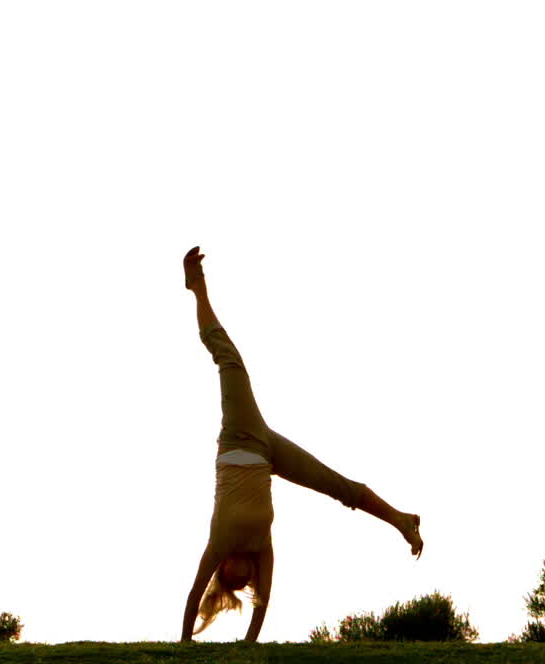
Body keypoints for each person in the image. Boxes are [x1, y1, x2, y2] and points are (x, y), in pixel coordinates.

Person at [179, 246, 424, 643]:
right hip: (267, 453)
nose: (243, 578)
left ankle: (197, 287)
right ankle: (402, 520)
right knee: (338, 486)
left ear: (223, 569)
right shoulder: (262, 549)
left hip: (241, 436)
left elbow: (193, 594)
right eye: (247, 581)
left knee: (230, 361)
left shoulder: (218, 544)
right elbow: (262, 605)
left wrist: (185, 641)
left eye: (234, 578)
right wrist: (248, 643)